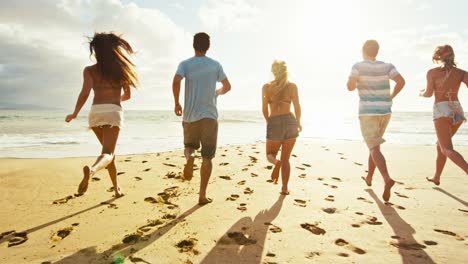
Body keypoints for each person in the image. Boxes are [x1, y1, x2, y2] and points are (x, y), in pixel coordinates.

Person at [65, 32, 137, 198]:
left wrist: (75, 113)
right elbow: (127, 96)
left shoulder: (89, 70)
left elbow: (84, 93)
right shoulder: (121, 70)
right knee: (108, 154)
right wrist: (114, 99)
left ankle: (117, 189)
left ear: (96, 51)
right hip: (113, 113)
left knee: (109, 153)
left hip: (95, 113)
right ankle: (92, 171)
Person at [172, 32, 231, 205]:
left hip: (190, 116)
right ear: (208, 46)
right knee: (207, 157)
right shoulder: (215, 65)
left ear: (193, 45)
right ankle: (202, 195)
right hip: (210, 116)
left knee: (189, 147)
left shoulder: (185, 64)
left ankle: (190, 157)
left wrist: (177, 103)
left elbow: (176, 81)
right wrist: (217, 93)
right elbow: (227, 86)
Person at [347, 40, 405, 202]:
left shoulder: (358, 66)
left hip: (368, 112)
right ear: (377, 51)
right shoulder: (387, 66)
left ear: (363, 50)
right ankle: (369, 177)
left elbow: (350, 87)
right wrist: (391, 97)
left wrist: (352, 80)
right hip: (385, 111)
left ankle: (387, 178)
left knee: (373, 146)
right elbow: (401, 82)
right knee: (374, 147)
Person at [420, 45, 468, 185]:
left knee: (446, 148)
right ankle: (437, 177)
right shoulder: (461, 73)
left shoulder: (432, 73)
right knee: (440, 145)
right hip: (457, 110)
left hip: (442, 110)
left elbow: (428, 94)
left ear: (438, 57)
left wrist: (422, 93)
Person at [262, 60, 302, 195]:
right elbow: (297, 106)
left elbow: (264, 109)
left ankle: (276, 163)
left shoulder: (266, 87)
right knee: (286, 159)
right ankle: (284, 188)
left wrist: (269, 122)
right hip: (290, 122)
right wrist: (299, 122)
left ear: (273, 71)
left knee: (270, 154)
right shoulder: (292, 86)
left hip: (274, 122)